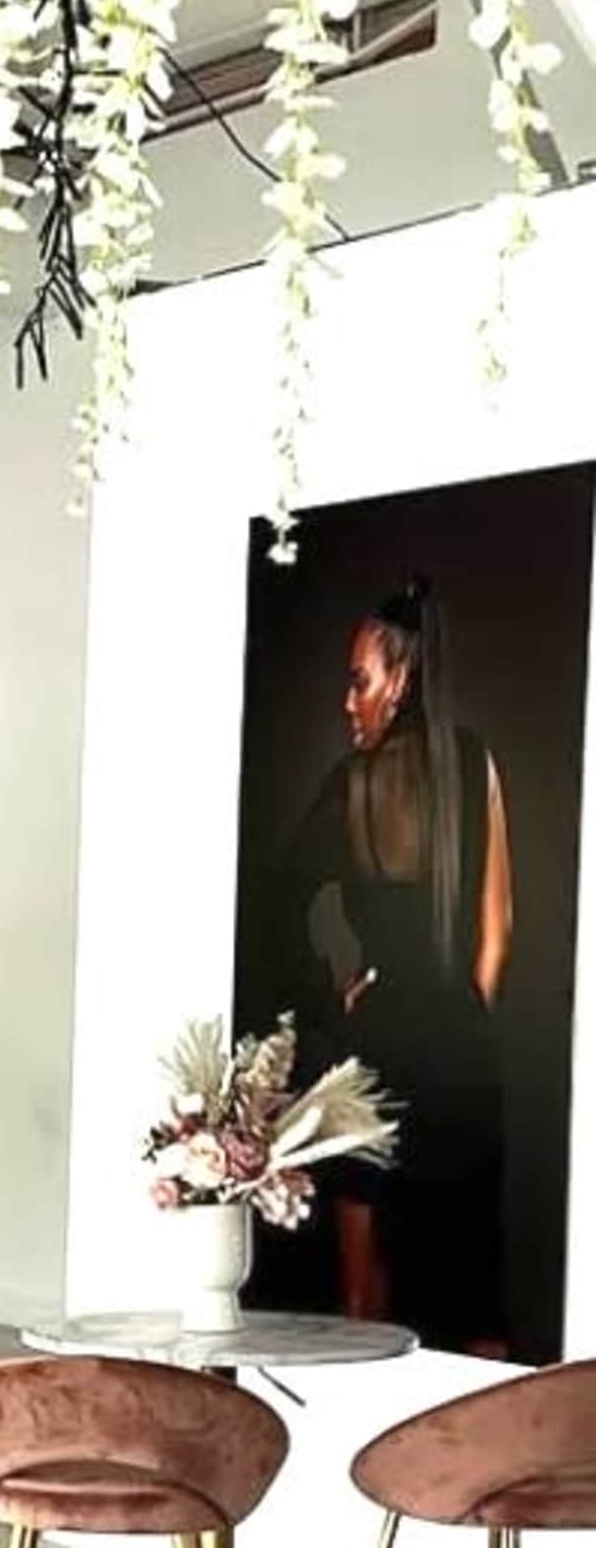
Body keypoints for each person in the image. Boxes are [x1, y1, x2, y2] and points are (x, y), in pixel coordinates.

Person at [286, 579, 513, 1351]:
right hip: (465, 1056)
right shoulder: (477, 762)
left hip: (374, 1050)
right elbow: (498, 929)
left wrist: (335, 992)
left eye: (360, 680)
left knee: (362, 1299)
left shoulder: (350, 784)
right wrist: (459, 1018)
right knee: (473, 1301)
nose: (347, 702)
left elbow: (278, 898)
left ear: (402, 678)